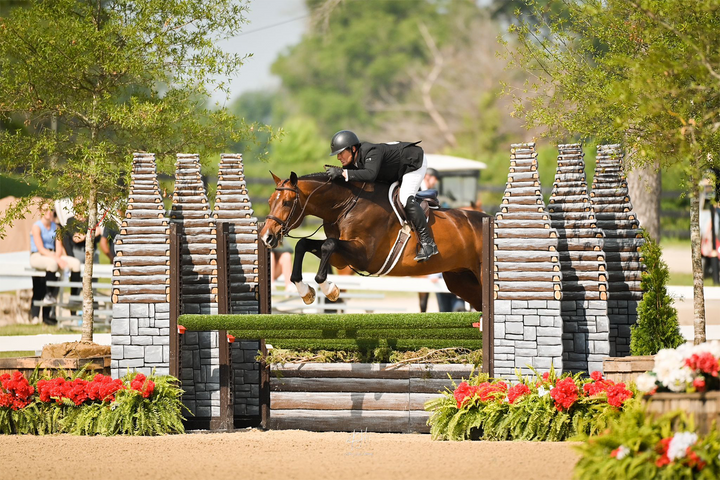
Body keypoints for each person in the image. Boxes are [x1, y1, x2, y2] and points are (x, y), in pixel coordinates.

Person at [324, 130, 438, 262]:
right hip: (395, 170)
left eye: (341, 153)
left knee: (405, 198)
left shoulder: (371, 151)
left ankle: (428, 243)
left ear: (353, 149)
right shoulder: (353, 161)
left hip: (412, 163)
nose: (338, 157)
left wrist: (343, 173)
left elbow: (370, 174)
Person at [29, 207, 81, 324]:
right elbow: (40, 248)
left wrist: (58, 258)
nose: (49, 211)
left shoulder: (56, 227)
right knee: (52, 264)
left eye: (51, 209)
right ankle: (48, 295)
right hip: (38, 255)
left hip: (53, 254)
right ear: (40, 211)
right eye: (46, 209)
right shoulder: (36, 226)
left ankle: (74, 298)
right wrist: (57, 260)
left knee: (75, 263)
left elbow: (58, 247)